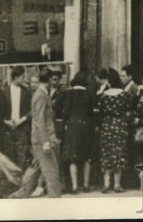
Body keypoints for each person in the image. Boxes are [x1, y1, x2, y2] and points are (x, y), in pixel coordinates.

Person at [30, 68, 62, 198]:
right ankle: (55, 202)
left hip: (42, 138)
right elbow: (40, 120)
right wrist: (45, 142)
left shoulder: (41, 94)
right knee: (52, 174)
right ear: (49, 80)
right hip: (43, 139)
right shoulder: (41, 95)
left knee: (46, 172)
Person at [60, 72, 96, 193]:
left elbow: (65, 112)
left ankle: (75, 186)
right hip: (86, 125)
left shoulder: (69, 93)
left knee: (73, 157)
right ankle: (86, 185)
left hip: (73, 126)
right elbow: (92, 112)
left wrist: (65, 121)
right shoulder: (89, 94)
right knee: (87, 157)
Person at [97, 68, 130, 193]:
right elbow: (128, 108)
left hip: (107, 125)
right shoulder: (124, 94)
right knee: (119, 153)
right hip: (120, 125)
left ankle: (106, 183)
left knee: (106, 153)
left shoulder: (103, 95)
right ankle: (117, 184)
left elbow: (100, 111)